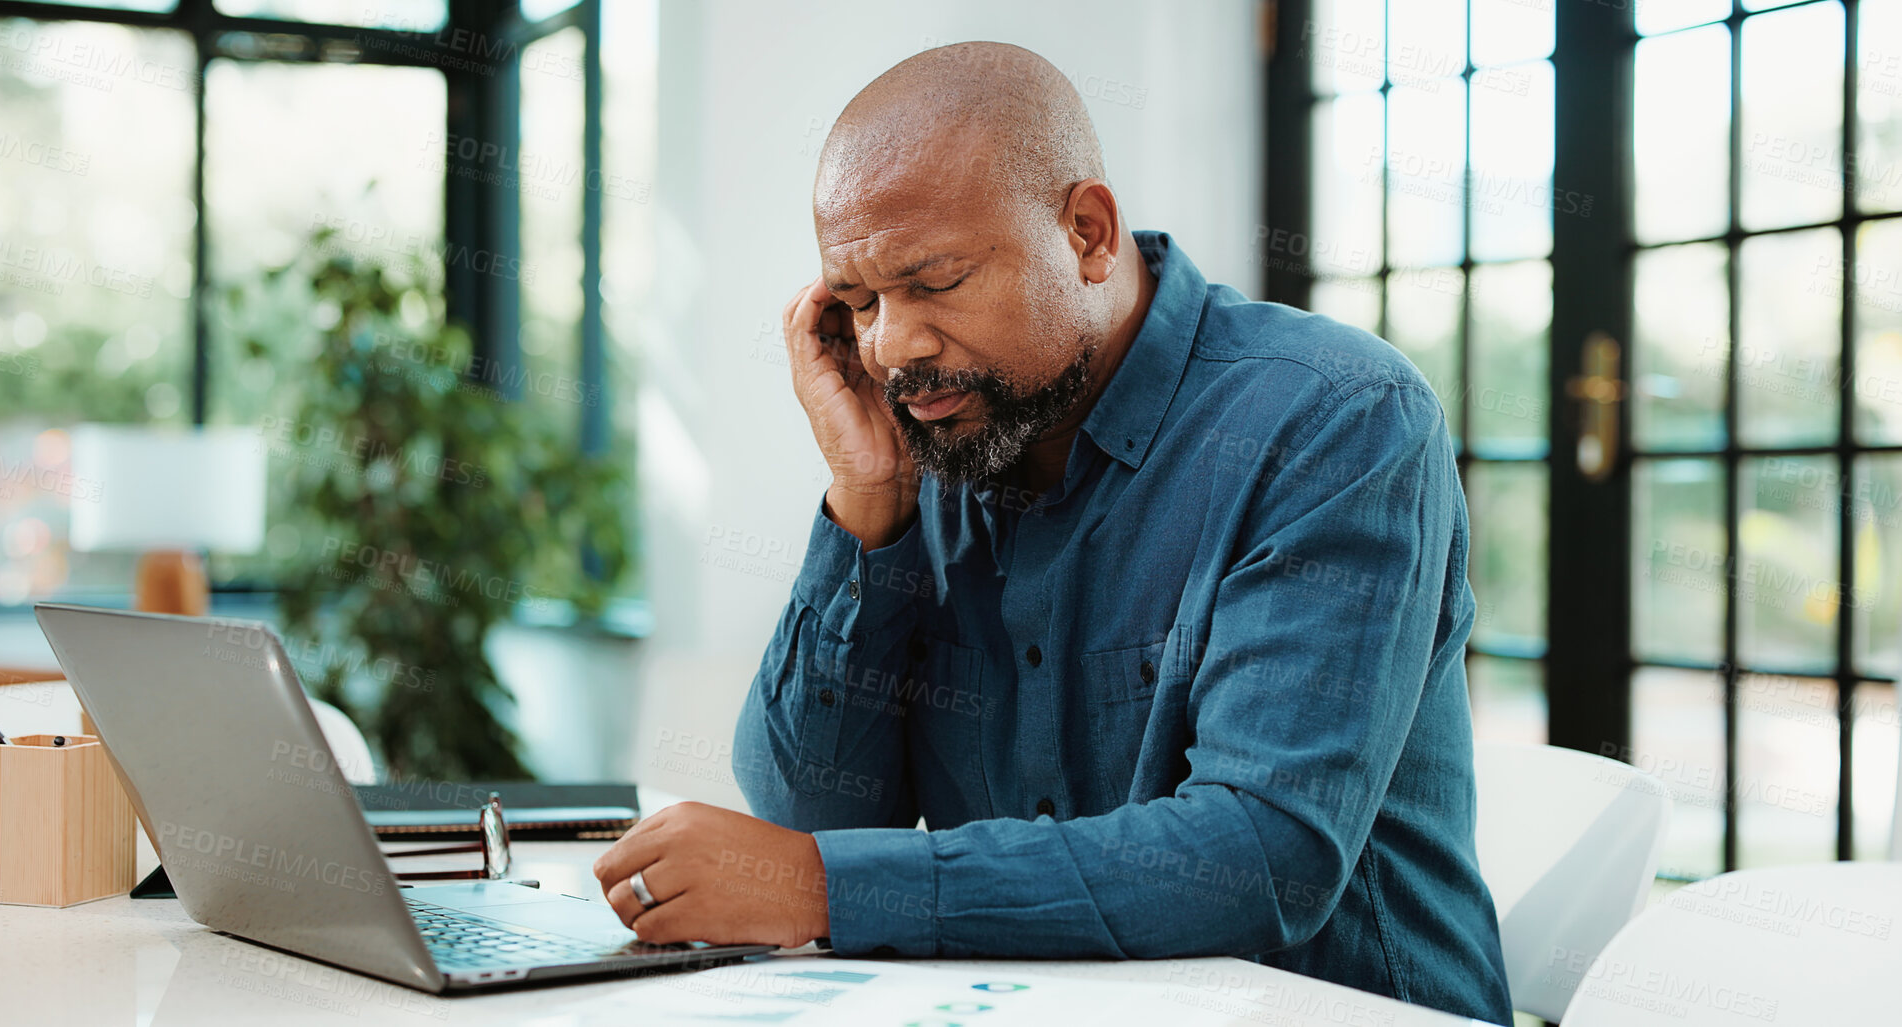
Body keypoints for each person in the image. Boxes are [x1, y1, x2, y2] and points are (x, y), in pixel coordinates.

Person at [593, 40, 1512, 1025]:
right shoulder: (941, 440)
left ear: (1086, 232)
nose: (893, 347)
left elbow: (1258, 858)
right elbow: (809, 816)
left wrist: (827, 885)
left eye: (935, 281)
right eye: (860, 304)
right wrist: (866, 498)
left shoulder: (1332, 420)